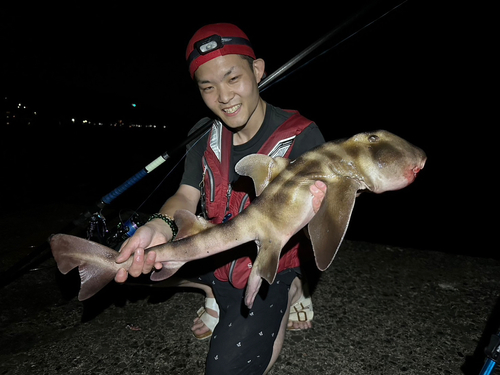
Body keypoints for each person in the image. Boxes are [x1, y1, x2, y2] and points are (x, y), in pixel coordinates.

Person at [115, 23, 327, 374]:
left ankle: (293, 290)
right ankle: (212, 293)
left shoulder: (303, 136)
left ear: (257, 71)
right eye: (208, 87)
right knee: (127, 260)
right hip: (214, 252)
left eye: (233, 79)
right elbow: (185, 195)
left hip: (265, 267)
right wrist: (161, 223)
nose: (224, 97)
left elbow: (319, 229)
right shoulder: (202, 133)